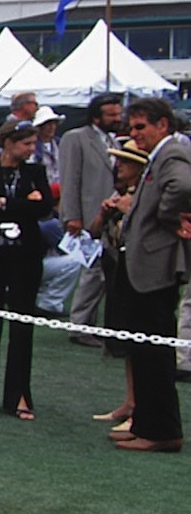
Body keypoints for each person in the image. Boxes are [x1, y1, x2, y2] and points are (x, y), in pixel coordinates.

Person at [104, 98, 191, 452]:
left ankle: (162, 431)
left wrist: (166, 217)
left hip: (156, 269)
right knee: (141, 349)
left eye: (141, 127)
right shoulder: (159, 156)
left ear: (163, 125)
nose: (134, 135)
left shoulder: (172, 154)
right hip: (142, 267)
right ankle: (144, 423)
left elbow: (182, 187)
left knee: (154, 352)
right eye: (132, 128)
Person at [0, 118, 54, 419]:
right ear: (8, 143)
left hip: (26, 254)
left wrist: (3, 203)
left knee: (22, 322)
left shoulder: (35, 172)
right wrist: (22, 203)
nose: (32, 149)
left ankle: (19, 396)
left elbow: (44, 207)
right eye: (27, 143)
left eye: (34, 143)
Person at [89, 137, 150, 430]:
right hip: (116, 270)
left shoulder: (146, 196)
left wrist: (129, 211)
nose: (119, 167)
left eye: (126, 162)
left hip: (138, 273)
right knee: (125, 340)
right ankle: (130, 400)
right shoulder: (119, 194)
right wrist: (104, 213)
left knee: (141, 341)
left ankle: (142, 407)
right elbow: (93, 232)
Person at [58, 93, 124, 345]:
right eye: (112, 114)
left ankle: (89, 323)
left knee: (103, 272)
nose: (117, 118)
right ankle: (79, 325)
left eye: (118, 113)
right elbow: (69, 180)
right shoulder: (75, 139)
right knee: (93, 272)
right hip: (87, 218)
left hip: (110, 217)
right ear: (96, 116)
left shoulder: (114, 141)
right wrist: (72, 215)